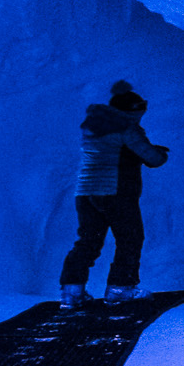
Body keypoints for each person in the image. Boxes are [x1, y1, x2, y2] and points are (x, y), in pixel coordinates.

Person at [61, 79, 170, 304]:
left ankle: (72, 292)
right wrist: (160, 152)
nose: (141, 117)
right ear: (131, 112)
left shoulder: (94, 125)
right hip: (115, 191)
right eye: (139, 112)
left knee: (88, 241)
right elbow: (153, 158)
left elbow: (111, 151)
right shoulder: (126, 127)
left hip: (85, 192)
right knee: (130, 238)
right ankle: (120, 288)